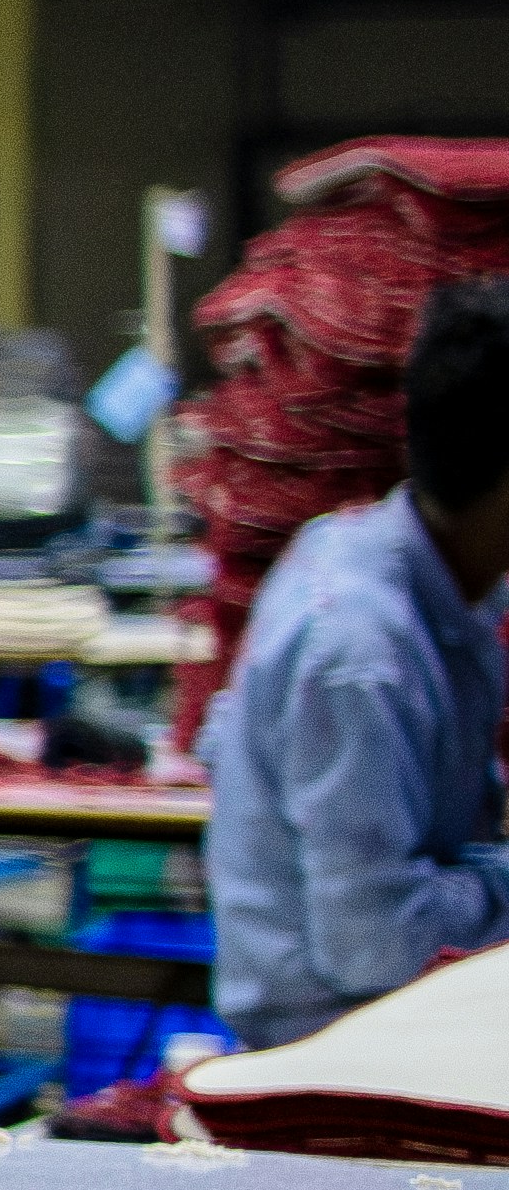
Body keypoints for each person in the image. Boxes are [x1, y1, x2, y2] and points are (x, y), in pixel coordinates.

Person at [208, 271, 509, 1052]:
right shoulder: (360, 650)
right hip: (330, 1047)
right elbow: (372, 945)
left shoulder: (435, 587)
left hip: (395, 1012)